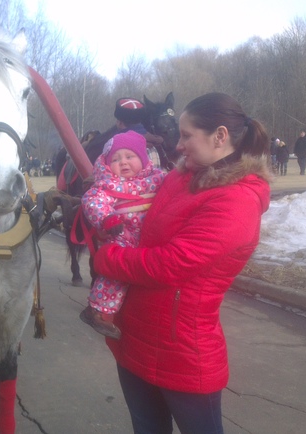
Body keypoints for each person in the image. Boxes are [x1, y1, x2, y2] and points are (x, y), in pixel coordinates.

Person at [92, 92, 272, 434]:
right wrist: (105, 211)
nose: (179, 145)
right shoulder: (180, 176)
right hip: (135, 339)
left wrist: (107, 258)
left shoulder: (237, 200)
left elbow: (170, 264)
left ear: (220, 136)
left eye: (187, 136)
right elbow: (139, 218)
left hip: (182, 355)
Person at [79, 130, 165, 339]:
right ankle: (98, 311)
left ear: (143, 159)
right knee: (116, 271)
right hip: (123, 234)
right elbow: (93, 201)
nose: (123, 163)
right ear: (107, 165)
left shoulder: (158, 178)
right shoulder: (106, 184)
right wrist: (107, 218)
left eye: (130, 157)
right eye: (116, 159)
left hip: (150, 235)